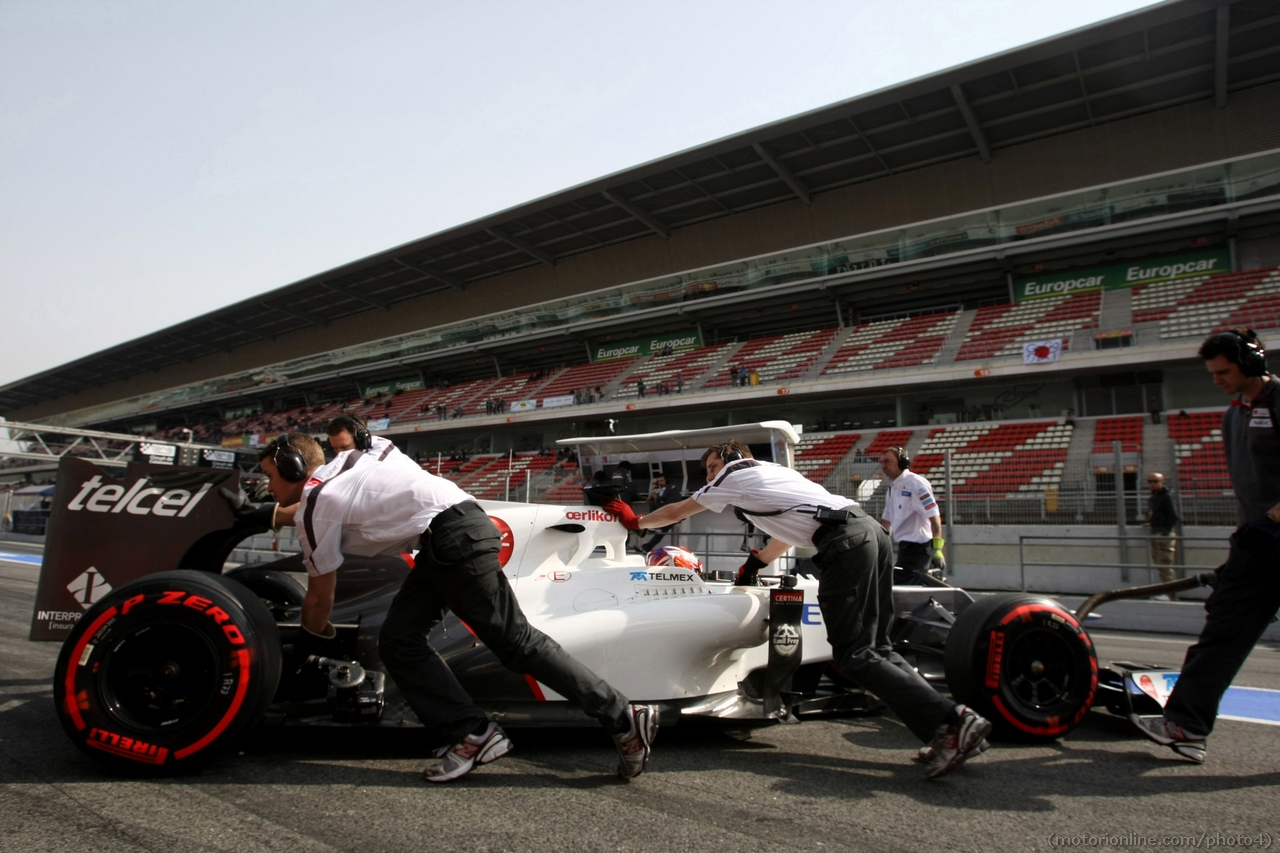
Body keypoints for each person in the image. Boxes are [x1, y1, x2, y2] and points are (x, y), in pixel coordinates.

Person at [229, 432, 658, 782]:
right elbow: (330, 489)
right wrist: (262, 514)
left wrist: (299, 651)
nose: (268, 485)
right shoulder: (355, 458)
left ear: (294, 469)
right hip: (451, 532)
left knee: (514, 642)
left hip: (451, 539)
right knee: (400, 640)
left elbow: (320, 599)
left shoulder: (316, 507)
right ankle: (472, 732)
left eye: (269, 476)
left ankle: (622, 714)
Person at [602, 440, 991, 780]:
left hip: (847, 543)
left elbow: (677, 512)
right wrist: (756, 563)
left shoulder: (735, 473)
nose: (709, 476)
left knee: (854, 656)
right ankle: (944, 734)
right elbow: (787, 534)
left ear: (732, 457)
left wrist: (637, 522)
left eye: (711, 467)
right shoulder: (774, 476)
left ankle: (954, 721)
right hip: (870, 533)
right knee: (878, 650)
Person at [1133, 330, 1280, 764]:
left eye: (1224, 372)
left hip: (1271, 531)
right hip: (1258, 543)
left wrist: (1272, 520)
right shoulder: (1233, 415)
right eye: (1213, 373)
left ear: (1252, 363)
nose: (1217, 380)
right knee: (1222, 630)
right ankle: (1187, 724)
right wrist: (1246, 537)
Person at [877, 447, 945, 585]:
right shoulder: (892, 488)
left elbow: (934, 516)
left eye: (888, 461)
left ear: (902, 462)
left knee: (903, 590)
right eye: (882, 462)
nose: (883, 466)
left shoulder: (916, 484)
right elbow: (886, 520)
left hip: (919, 548)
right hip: (905, 548)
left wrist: (937, 548)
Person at [1145, 472, 1180, 598]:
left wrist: (1166, 531)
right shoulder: (1154, 497)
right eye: (1150, 481)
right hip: (1156, 532)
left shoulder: (1166, 496)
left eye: (1155, 481)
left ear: (1162, 482)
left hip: (1163, 534)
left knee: (1165, 565)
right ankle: (1168, 592)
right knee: (1160, 564)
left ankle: (1171, 594)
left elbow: (1173, 516)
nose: (1152, 484)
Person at [641, 473, 681, 552]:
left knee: (653, 504)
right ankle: (647, 547)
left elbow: (658, 499)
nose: (660, 483)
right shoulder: (670, 487)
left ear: (666, 480)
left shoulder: (665, 488)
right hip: (676, 513)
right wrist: (650, 497)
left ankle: (652, 524)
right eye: (658, 481)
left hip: (670, 511)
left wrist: (652, 490)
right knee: (662, 531)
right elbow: (658, 497)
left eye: (662, 480)